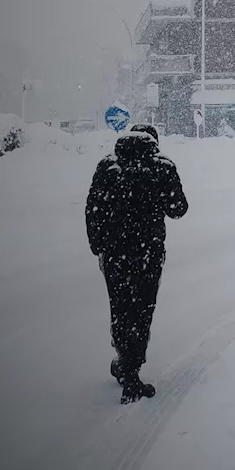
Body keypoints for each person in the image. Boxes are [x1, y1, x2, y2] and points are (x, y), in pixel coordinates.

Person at [85, 124, 189, 403]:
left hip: (115, 253)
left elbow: (93, 208)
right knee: (143, 308)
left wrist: (98, 245)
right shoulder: (163, 167)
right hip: (148, 252)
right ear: (153, 142)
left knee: (120, 307)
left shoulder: (107, 167)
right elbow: (178, 208)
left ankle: (124, 361)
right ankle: (132, 367)